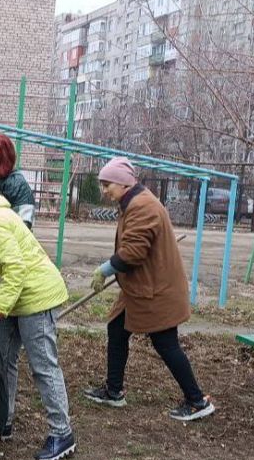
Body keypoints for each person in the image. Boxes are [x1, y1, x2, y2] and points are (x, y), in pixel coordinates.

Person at [81, 157, 215, 422]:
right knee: (117, 329)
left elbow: (133, 252)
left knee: (165, 343)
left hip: (156, 290)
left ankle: (197, 400)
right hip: (141, 286)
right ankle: (113, 390)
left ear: (121, 183)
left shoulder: (142, 206)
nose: (104, 190)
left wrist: (105, 269)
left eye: (107, 184)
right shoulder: (135, 201)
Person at [0, 174, 77, 460]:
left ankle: (62, 433)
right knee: (2, 360)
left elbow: (16, 268)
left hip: (36, 296)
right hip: (14, 297)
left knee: (43, 365)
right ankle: (4, 420)